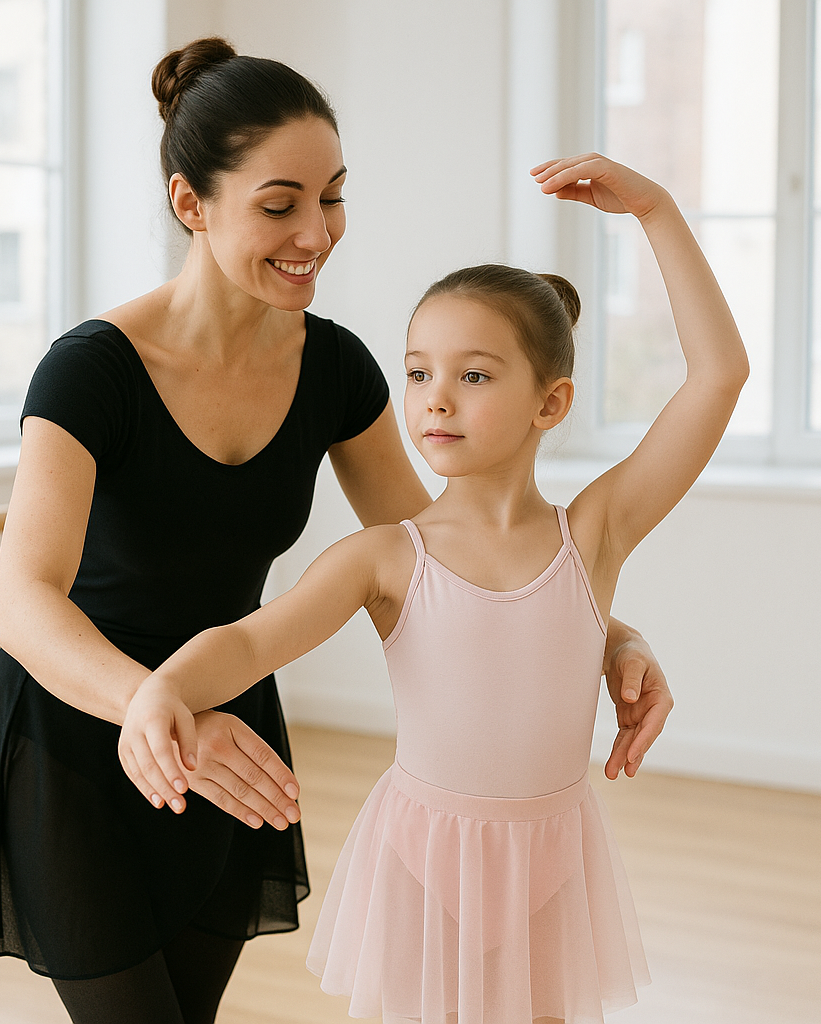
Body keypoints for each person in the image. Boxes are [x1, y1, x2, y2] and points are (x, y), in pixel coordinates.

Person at [0, 32, 673, 1024]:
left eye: (331, 195)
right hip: (81, 737)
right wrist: (159, 710)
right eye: (279, 206)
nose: (317, 233)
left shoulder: (334, 369)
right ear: (190, 206)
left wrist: (603, 631)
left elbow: (446, 549)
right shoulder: (92, 371)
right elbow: (22, 602)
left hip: (231, 742)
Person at [118, 153, 748, 1023]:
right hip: (423, 856)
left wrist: (658, 211)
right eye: (419, 373)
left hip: (555, 855)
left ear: (551, 403)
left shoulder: (594, 533)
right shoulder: (384, 556)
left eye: (475, 376)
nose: (436, 400)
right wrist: (163, 692)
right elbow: (252, 640)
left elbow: (718, 377)